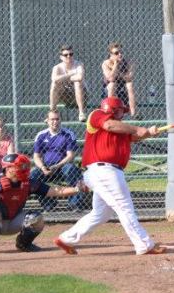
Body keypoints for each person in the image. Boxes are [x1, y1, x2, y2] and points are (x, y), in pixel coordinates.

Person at [53, 97, 165, 256]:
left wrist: (149, 132)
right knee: (124, 207)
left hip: (105, 173)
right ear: (111, 109)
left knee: (101, 214)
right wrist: (137, 128)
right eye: (120, 110)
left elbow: (134, 136)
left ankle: (66, 239)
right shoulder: (97, 115)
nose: (122, 114)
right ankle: (144, 245)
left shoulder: (121, 128)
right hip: (104, 172)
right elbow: (109, 125)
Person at [0, 153, 87, 256]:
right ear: (8, 168)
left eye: (24, 166)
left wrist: (77, 189)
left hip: (13, 221)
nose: (24, 169)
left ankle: (24, 244)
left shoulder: (28, 183)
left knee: (36, 219)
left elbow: (55, 191)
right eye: (19, 166)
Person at [31, 109, 84, 211]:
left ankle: (75, 203)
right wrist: (42, 167)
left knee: (71, 169)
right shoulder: (41, 135)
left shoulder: (68, 134)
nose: (55, 122)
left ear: (61, 120)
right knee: (33, 176)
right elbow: (36, 156)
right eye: (52, 119)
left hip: (63, 167)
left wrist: (57, 166)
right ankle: (48, 203)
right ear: (47, 120)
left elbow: (70, 156)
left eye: (57, 119)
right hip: (46, 167)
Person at [50, 44, 87, 122]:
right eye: (65, 55)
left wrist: (62, 78)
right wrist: (71, 74)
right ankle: (52, 112)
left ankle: (81, 113)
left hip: (82, 96)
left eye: (71, 54)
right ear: (61, 57)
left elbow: (80, 77)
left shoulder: (79, 64)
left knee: (77, 83)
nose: (69, 56)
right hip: (65, 96)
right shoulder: (57, 67)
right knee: (54, 85)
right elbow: (54, 79)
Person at [101, 41, 137, 118]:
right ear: (111, 54)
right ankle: (110, 113)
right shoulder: (106, 63)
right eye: (116, 53)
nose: (120, 54)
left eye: (121, 52)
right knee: (112, 84)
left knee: (130, 85)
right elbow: (111, 78)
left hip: (123, 88)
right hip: (109, 90)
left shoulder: (128, 62)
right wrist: (115, 65)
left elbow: (129, 77)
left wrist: (118, 74)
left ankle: (133, 113)